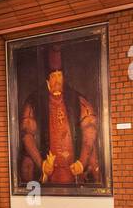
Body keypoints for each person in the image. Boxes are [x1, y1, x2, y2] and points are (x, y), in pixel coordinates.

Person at [19, 44, 99, 187]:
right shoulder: (34, 101)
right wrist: (41, 163)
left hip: (73, 167)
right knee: (27, 161)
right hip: (48, 170)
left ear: (64, 78)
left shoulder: (77, 99)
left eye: (59, 76)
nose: (56, 81)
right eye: (53, 76)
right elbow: (26, 133)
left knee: (92, 156)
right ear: (47, 80)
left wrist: (82, 161)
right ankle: (32, 199)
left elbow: (90, 128)